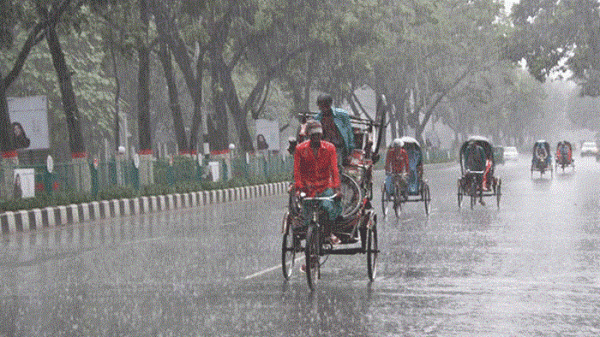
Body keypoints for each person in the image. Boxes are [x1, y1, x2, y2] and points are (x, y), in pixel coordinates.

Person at [294, 119, 343, 271]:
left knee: (330, 207)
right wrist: (299, 188)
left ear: (321, 135)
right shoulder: (300, 149)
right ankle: (311, 254)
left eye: (318, 135)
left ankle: (328, 233)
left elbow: (334, 170)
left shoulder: (329, 148)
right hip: (308, 188)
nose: (316, 138)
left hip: (324, 186)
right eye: (313, 135)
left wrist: (337, 189)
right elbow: (297, 171)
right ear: (309, 135)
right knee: (305, 218)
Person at [314, 94, 355, 167]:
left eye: (325, 106)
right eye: (321, 106)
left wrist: (350, 150)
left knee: (336, 166)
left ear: (329, 105)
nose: (323, 109)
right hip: (323, 147)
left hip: (338, 147)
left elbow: (349, 133)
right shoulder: (317, 118)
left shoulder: (342, 115)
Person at [464, 140, 487, 205]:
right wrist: (466, 168)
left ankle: (481, 198)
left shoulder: (480, 149)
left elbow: (483, 159)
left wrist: (483, 168)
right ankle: (468, 188)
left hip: (479, 168)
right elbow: (466, 159)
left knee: (480, 182)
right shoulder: (468, 149)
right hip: (471, 167)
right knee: (468, 178)